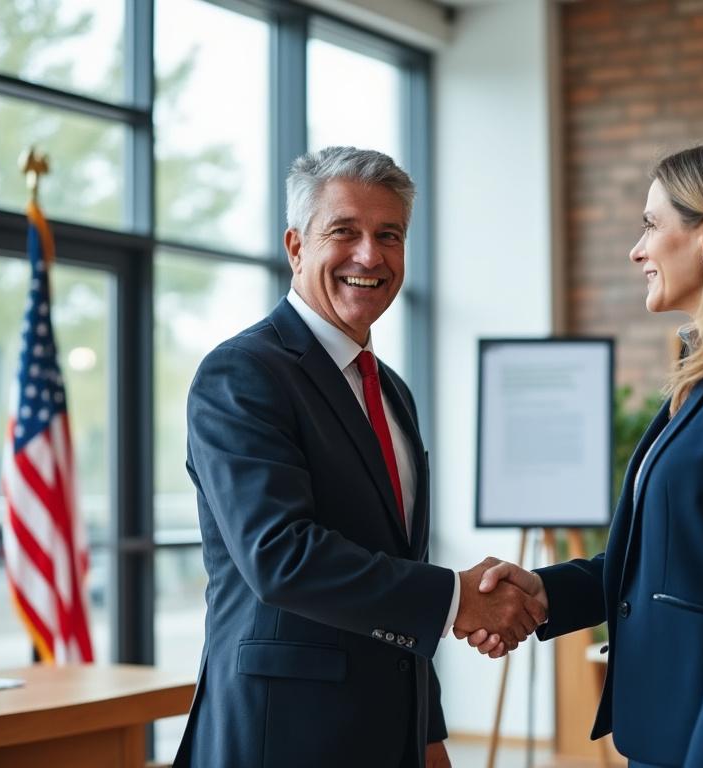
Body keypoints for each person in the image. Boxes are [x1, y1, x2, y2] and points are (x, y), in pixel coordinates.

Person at [465, 137, 703, 767]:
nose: (637, 249)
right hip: (669, 733)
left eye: (650, 224)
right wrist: (543, 591)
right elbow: (667, 565)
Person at [176, 146, 545, 768]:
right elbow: (281, 557)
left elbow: (399, 563)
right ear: (296, 247)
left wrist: (427, 730)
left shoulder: (391, 390)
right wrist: (458, 599)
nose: (370, 256)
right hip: (282, 736)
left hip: (389, 732)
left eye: (389, 235)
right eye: (344, 231)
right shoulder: (242, 373)